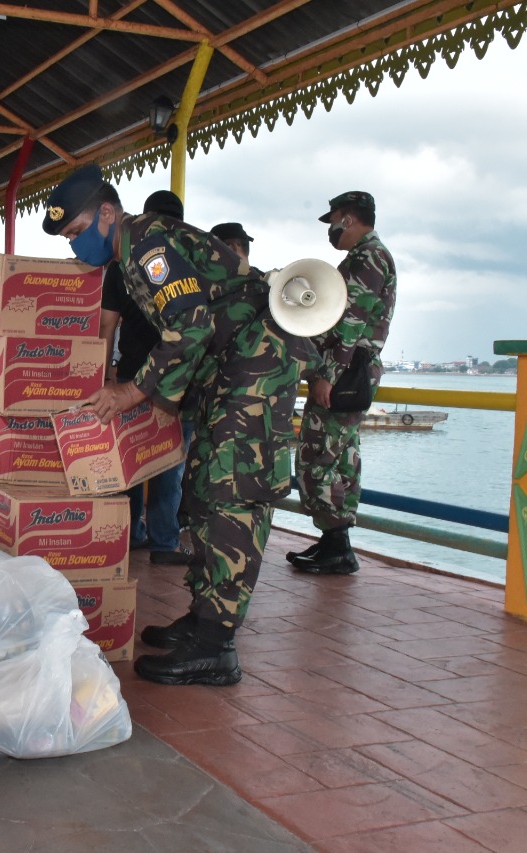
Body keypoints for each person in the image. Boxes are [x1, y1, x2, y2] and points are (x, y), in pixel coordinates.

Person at [44, 164, 316, 686]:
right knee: (202, 491)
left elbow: (190, 323)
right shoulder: (130, 256)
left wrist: (133, 391)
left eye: (77, 233)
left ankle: (216, 648)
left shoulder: (146, 243)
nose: (76, 247)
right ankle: (204, 618)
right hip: (230, 370)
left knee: (231, 492)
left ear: (107, 213)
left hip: (255, 367)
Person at [288, 191, 397, 575]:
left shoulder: (367, 259)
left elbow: (349, 325)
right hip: (356, 369)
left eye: (333, 220)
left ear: (348, 219)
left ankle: (335, 543)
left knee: (321, 455)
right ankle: (335, 543)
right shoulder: (367, 257)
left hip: (346, 370)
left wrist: (327, 377)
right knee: (341, 456)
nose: (331, 229)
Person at [99, 189, 191, 566]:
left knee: (131, 459)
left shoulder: (122, 263)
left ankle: (130, 535)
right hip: (175, 380)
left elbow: (107, 325)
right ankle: (164, 542)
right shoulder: (179, 260)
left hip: (131, 378)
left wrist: (105, 376)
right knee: (169, 460)